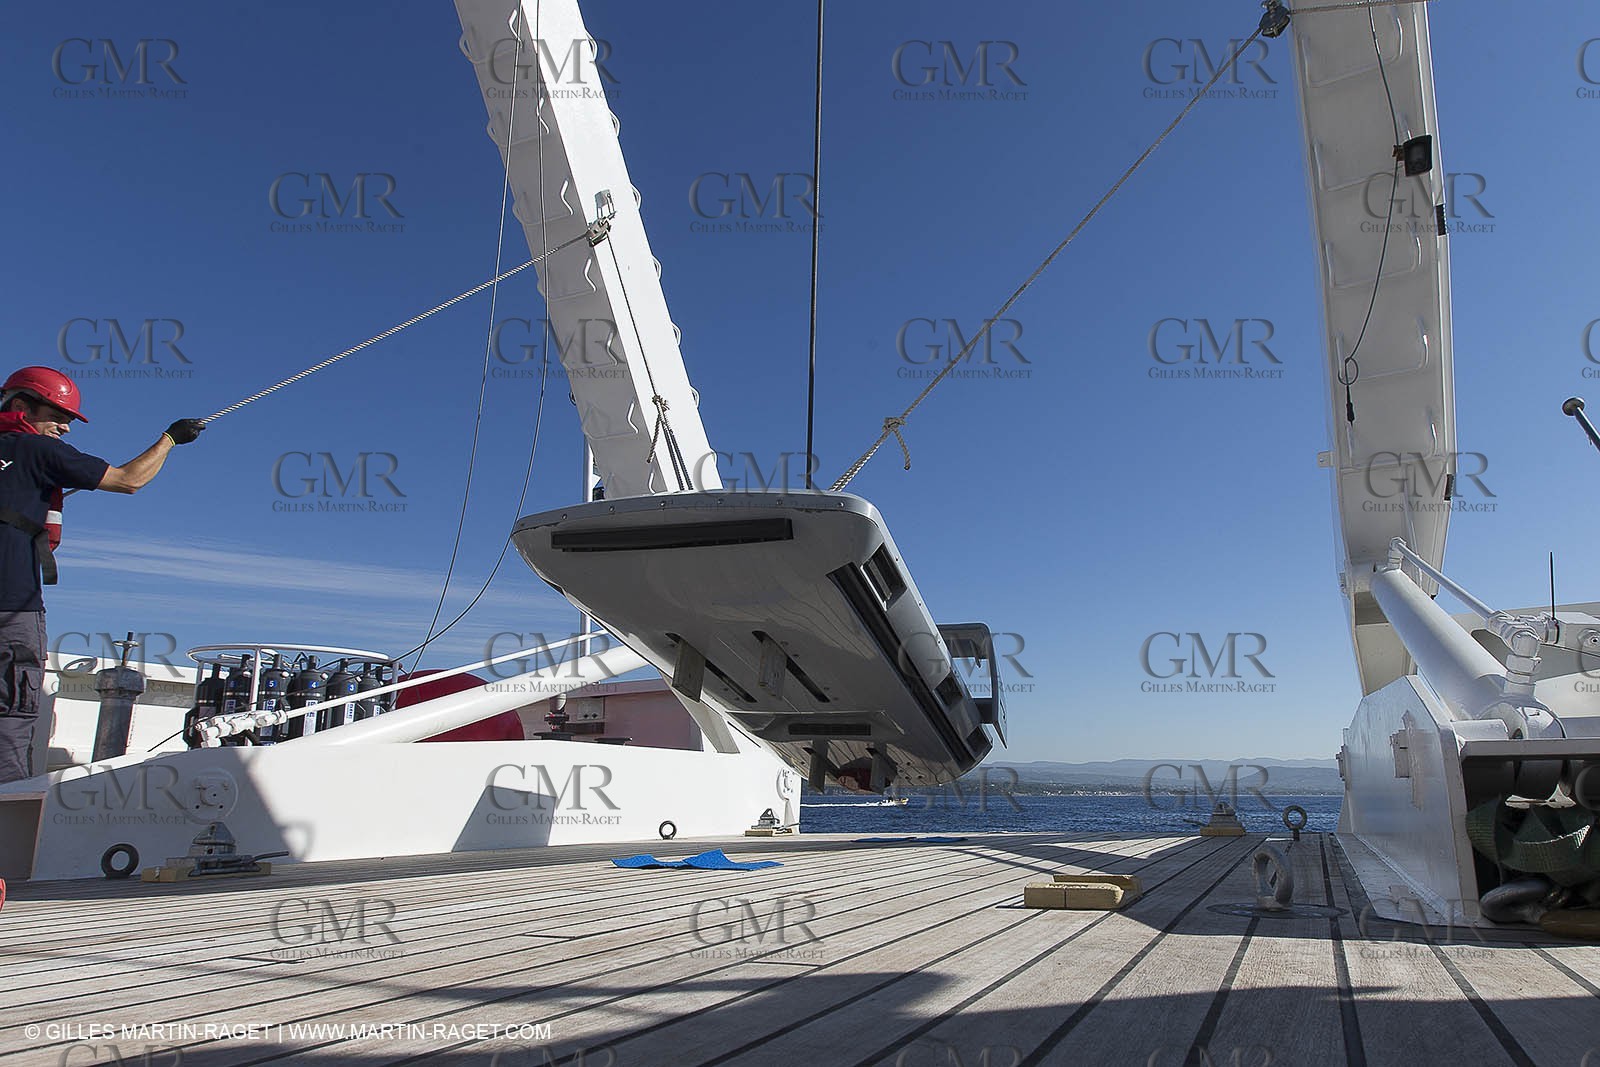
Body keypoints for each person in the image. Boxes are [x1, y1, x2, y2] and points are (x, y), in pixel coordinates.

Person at [0, 367, 205, 784]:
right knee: (12, 714)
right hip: (10, 608)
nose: (64, 426)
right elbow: (129, 480)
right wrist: (170, 439)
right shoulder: (38, 451)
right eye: (56, 415)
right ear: (20, 406)